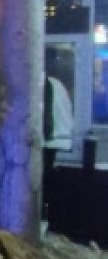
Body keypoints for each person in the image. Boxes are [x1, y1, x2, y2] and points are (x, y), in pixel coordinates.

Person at [42, 71, 74, 211]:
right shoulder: (57, 83)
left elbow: (47, 117)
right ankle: (48, 205)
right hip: (62, 137)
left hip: (49, 140)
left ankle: (44, 205)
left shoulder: (42, 85)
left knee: (44, 177)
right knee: (50, 177)